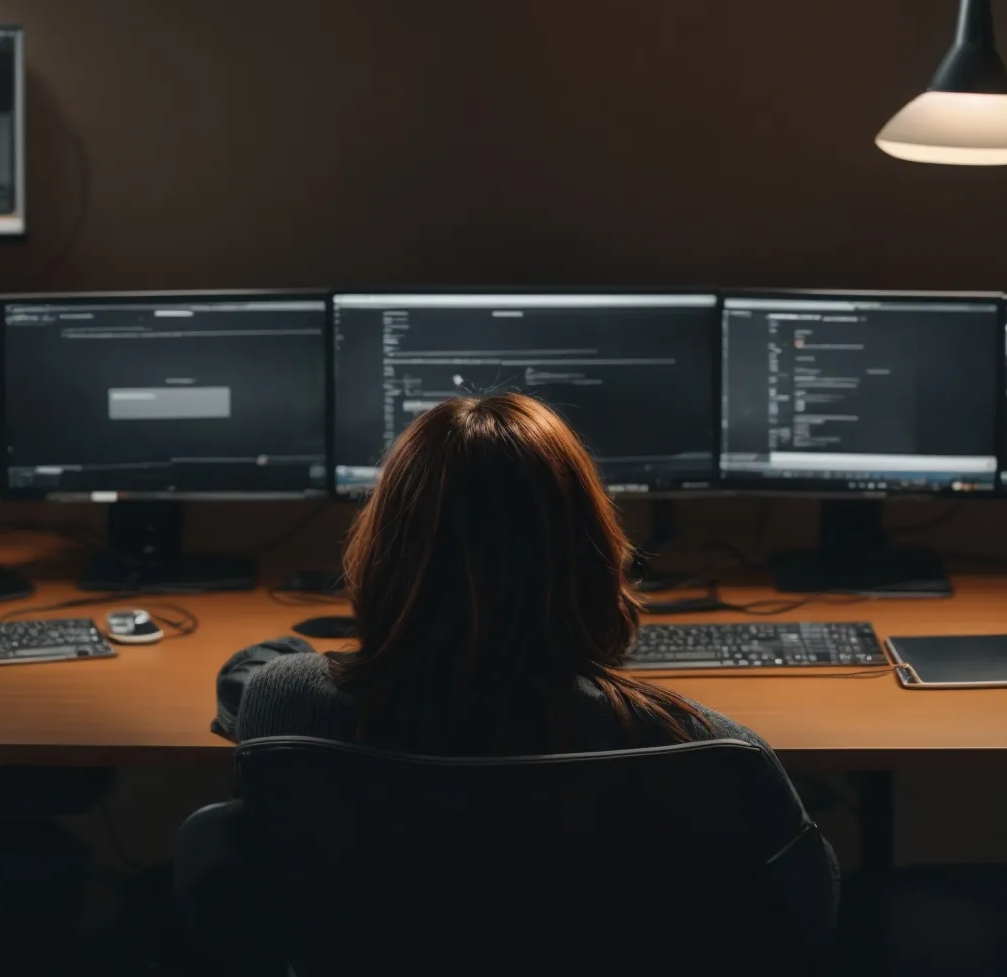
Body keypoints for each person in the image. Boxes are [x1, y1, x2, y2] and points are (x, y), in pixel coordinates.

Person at [219, 392, 838, 936]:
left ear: (384, 550)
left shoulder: (284, 704)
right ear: (594, 555)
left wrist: (288, 660)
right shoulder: (712, 750)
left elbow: (257, 688)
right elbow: (810, 913)